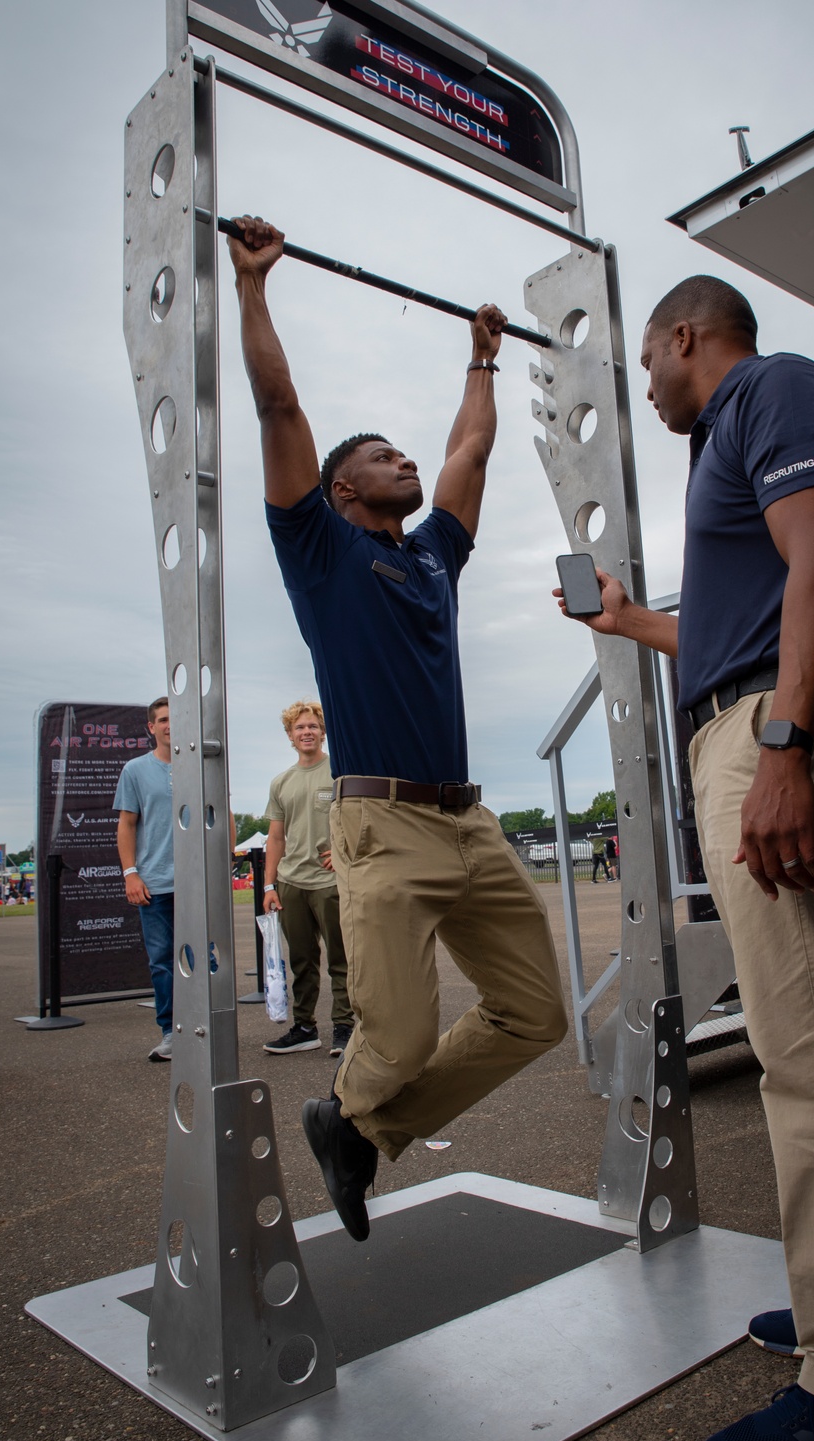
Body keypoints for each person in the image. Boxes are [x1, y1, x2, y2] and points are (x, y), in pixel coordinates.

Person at [556, 275, 814, 1441]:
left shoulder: (774, 389)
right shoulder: (736, 431)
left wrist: (779, 745)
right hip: (771, 712)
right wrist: (632, 623)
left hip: (788, 734)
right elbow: (753, 610)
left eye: (648, 364)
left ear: (681, 337)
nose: (650, 387)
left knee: (809, 1060)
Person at [229, 215, 566, 1243]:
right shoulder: (319, 548)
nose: (405, 457)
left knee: (536, 1014)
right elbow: (279, 404)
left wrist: (481, 356)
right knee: (402, 1031)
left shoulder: (431, 560)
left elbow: (470, 444)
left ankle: (360, 1129)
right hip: (380, 827)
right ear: (341, 487)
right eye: (383, 455)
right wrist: (253, 287)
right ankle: (361, 1108)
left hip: (468, 824)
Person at [261, 700, 353, 1058]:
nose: (306, 732)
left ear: (322, 731)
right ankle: (304, 1028)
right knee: (301, 959)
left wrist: (343, 851)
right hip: (292, 884)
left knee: (341, 958)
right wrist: (270, 885)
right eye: (299, 727)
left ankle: (344, 1027)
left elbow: (359, 817)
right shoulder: (281, 782)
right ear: (290, 735)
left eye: (312, 726)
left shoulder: (340, 772)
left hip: (330, 883)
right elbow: (276, 838)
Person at [114, 697, 176, 1061]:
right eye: (164, 719)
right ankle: (171, 1032)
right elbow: (127, 823)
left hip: (197, 883)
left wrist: (225, 861)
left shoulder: (201, 766)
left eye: (177, 719)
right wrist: (130, 873)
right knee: (162, 960)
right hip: (154, 883)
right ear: (151, 727)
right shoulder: (135, 770)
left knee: (209, 960)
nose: (171, 725)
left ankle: (208, 1024)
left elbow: (223, 813)